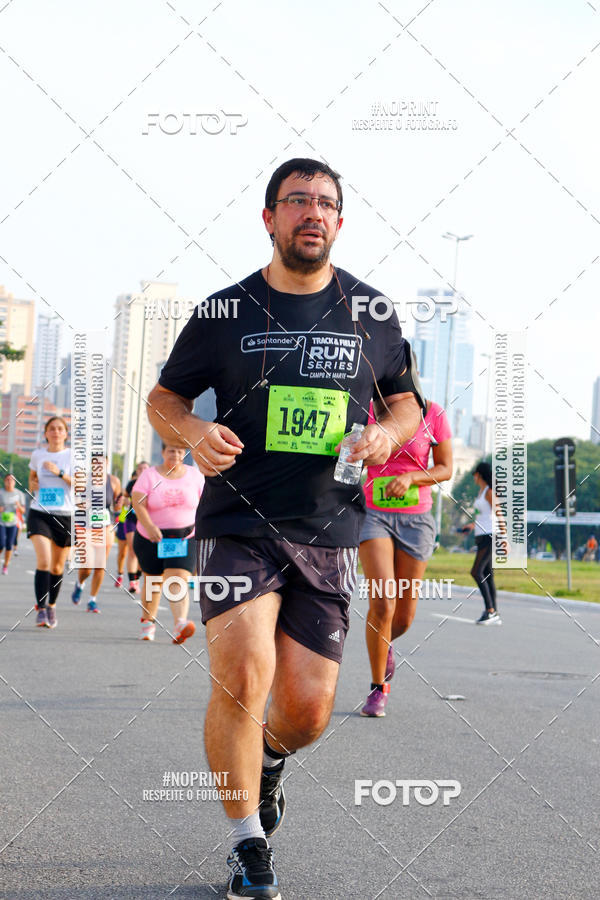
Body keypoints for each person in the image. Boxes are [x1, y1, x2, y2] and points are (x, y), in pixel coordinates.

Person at [147, 157, 423, 899]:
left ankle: (268, 762)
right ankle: (246, 846)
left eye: (325, 203)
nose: (312, 212)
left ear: (339, 221)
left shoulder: (372, 313)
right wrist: (194, 431)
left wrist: (386, 438)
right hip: (236, 520)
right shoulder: (224, 312)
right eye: (295, 200)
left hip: (328, 528)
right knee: (241, 676)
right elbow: (164, 398)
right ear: (268, 218)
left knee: (305, 712)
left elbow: (406, 404)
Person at [358, 398, 452, 717]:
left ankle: (383, 643)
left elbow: (446, 468)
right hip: (374, 514)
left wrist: (413, 478)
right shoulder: (364, 409)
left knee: (403, 617)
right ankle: (377, 688)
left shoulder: (432, 413)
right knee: (383, 603)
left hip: (417, 518)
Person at [131, 445, 204, 643]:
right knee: (153, 581)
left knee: (178, 577)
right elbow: (137, 501)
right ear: (163, 452)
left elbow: (206, 502)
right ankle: (148, 623)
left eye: (180, 451)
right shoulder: (150, 475)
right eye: (172, 451)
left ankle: (180, 623)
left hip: (185, 537)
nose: (176, 455)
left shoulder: (195, 476)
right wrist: (149, 525)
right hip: (150, 537)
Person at [27, 416, 72, 628]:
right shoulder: (38, 454)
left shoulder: (72, 456)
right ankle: (41, 608)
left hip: (64, 514)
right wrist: (34, 483)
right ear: (45, 433)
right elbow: (31, 480)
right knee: (44, 560)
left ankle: (52, 605)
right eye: (52, 429)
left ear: (65, 433)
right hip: (40, 512)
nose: (55, 432)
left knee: (57, 566)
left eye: (60, 429)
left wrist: (60, 473)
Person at [71, 457, 122, 612]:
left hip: (105, 526)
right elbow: (74, 500)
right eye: (96, 463)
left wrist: (119, 506)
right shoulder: (84, 479)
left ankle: (92, 600)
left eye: (103, 463)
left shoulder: (113, 481)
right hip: (85, 526)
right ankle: (80, 584)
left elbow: (116, 504)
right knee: (87, 567)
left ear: (107, 464)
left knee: (100, 566)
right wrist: (82, 504)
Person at [463, 461, 506, 624]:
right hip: (482, 534)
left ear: (479, 474)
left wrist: (504, 539)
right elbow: (485, 515)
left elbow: (499, 514)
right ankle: (494, 613)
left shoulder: (489, 492)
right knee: (488, 575)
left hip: (491, 535)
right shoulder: (481, 491)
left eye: (474, 473)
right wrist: (471, 525)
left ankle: (490, 611)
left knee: (476, 571)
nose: (473, 476)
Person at [122, 462, 149, 593]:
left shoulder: (154, 483)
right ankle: (132, 582)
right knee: (132, 549)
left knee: (142, 551)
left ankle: (137, 579)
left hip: (146, 520)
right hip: (131, 518)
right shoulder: (132, 484)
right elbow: (124, 497)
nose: (142, 470)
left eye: (145, 468)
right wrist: (125, 501)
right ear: (137, 471)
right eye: (140, 468)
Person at [0, 473, 26, 574]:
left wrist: (18, 505)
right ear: (4, 481)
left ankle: (5, 565)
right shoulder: (1, 493)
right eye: (7, 480)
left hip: (13, 522)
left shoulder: (19, 494)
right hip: (1, 521)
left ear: (15, 482)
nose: (9, 482)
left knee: (9, 545)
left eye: (12, 480)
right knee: (1, 544)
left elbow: (23, 510)